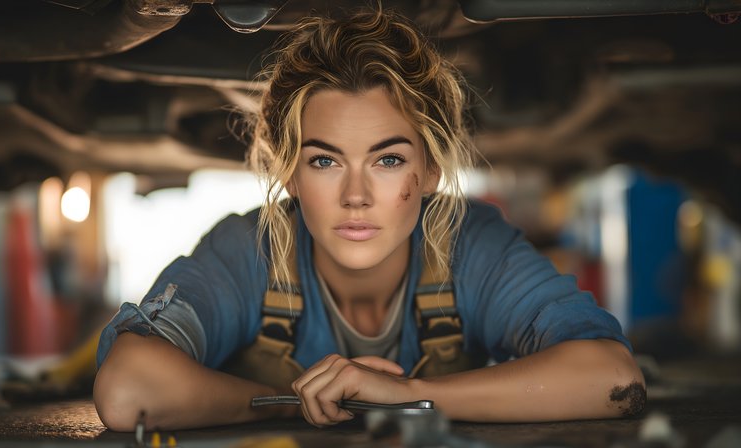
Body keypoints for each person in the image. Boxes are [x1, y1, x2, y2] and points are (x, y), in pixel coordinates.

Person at [93, 7, 645, 431]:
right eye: (325, 161)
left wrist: (412, 397)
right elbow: (127, 389)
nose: (355, 195)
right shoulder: (250, 250)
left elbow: (614, 378)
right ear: (290, 173)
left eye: (388, 160)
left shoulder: (471, 245)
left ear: (429, 172)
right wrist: (301, 404)